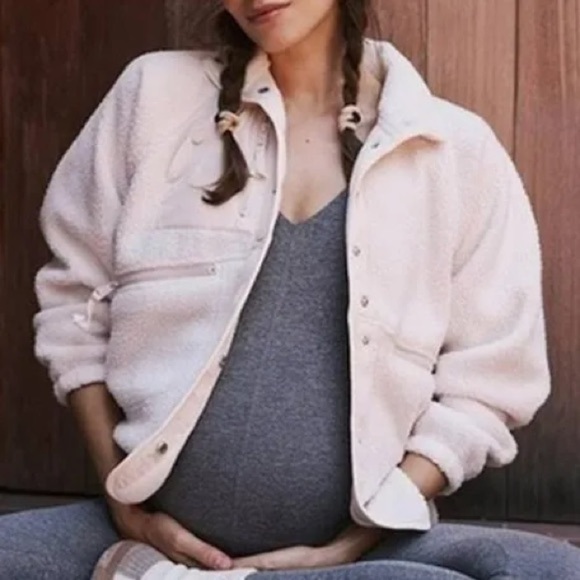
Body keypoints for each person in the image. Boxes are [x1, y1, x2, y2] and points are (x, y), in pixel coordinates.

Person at [1, 0, 579, 578]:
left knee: (550, 571)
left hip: (358, 558)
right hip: (144, 532)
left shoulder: (452, 149)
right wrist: (126, 508)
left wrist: (356, 540)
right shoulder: (152, 97)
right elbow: (75, 302)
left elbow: (492, 381)